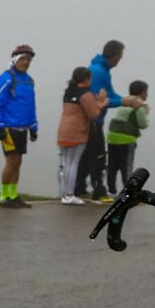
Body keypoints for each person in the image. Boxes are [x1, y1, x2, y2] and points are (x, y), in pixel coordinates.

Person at [0, 43, 38, 209]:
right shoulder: (6, 78)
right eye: (23, 59)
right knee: (11, 161)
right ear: (15, 59)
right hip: (8, 127)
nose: (26, 62)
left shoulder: (29, 81)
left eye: (28, 59)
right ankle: (3, 196)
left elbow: (31, 105)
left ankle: (13, 195)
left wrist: (33, 126)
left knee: (18, 162)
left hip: (23, 127)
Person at [81, 38, 128, 203]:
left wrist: (127, 100)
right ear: (114, 55)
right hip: (92, 121)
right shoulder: (98, 71)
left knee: (87, 156)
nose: (121, 59)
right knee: (98, 156)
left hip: (96, 121)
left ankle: (79, 188)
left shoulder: (103, 70)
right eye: (120, 55)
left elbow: (111, 94)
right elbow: (97, 99)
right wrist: (123, 102)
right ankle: (98, 190)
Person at [55, 65, 102, 205]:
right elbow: (93, 114)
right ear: (87, 78)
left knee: (65, 163)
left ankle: (63, 193)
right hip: (77, 131)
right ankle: (70, 195)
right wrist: (100, 103)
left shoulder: (69, 91)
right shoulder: (85, 93)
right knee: (73, 163)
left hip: (63, 130)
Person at [105, 78, 150, 186]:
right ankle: (129, 192)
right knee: (127, 167)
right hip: (126, 139)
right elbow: (143, 124)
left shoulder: (124, 101)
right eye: (146, 92)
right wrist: (146, 112)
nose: (147, 95)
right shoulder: (139, 106)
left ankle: (111, 191)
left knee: (112, 165)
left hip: (111, 137)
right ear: (142, 93)